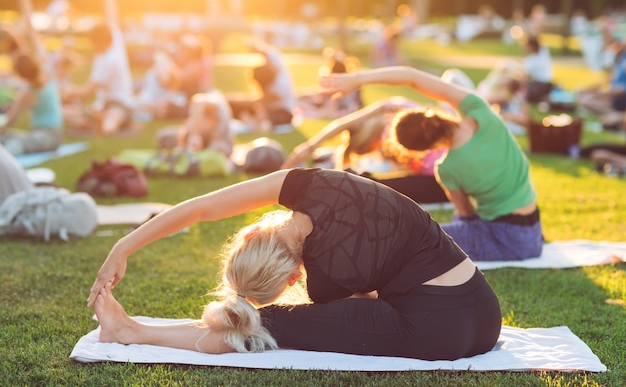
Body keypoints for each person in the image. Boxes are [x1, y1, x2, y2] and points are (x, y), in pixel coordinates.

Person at [88, 168, 501, 360]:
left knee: (262, 326)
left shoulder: (326, 279)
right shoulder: (307, 182)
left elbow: (361, 304)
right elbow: (203, 208)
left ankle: (130, 331)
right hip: (485, 312)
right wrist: (123, 246)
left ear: (292, 277)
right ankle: (128, 329)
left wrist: (126, 244)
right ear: (251, 234)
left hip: (436, 332)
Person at [319, 66, 543, 262]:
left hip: (508, 239)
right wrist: (357, 79)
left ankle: (340, 249)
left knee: (417, 238)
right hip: (533, 226)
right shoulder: (479, 109)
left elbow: (467, 216)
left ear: (424, 149)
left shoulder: (447, 169)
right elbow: (411, 77)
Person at [283, 95, 449, 204]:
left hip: (447, 181)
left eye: (368, 148)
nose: (374, 150)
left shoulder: (395, 111)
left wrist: (310, 146)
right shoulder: (393, 117)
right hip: (438, 180)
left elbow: (343, 124)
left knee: (377, 188)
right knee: (370, 185)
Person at [63, 0, 136, 135]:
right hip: (102, 104)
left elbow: (88, 91)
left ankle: (100, 120)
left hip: (120, 105)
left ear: (101, 42)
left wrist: (67, 91)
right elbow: (111, 13)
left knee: (109, 127)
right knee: (64, 114)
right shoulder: (114, 39)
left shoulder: (111, 60)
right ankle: (95, 118)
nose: (92, 46)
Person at [0, 0, 64, 156]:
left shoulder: (27, 93)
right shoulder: (47, 69)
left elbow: (9, 122)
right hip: (43, 135)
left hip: (49, 137)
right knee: (11, 139)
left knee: (15, 142)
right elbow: (30, 29)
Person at [226, 39, 297, 131]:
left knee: (266, 119)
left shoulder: (280, 86)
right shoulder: (275, 65)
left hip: (282, 112)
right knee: (231, 103)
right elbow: (271, 52)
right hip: (266, 108)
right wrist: (256, 47)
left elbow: (261, 104)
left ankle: (255, 122)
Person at [522, 36, 554, 103]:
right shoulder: (544, 53)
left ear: (531, 47)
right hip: (548, 85)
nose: (524, 47)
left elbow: (525, 77)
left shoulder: (530, 60)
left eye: (526, 45)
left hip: (537, 86)